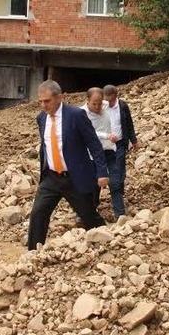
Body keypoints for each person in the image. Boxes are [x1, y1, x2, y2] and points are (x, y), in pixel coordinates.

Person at [27, 80, 109, 250]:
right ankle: (33, 254)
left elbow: (94, 144)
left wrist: (102, 172)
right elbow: (46, 145)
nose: (43, 105)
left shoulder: (76, 115)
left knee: (88, 216)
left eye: (47, 101)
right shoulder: (41, 118)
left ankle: (108, 241)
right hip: (51, 177)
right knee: (38, 213)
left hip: (75, 178)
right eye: (40, 101)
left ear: (60, 97)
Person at [102, 84, 138, 217]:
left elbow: (129, 123)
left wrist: (133, 140)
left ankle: (118, 194)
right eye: (105, 99)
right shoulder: (101, 107)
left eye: (110, 99)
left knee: (120, 170)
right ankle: (118, 204)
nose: (107, 102)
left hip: (120, 143)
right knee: (113, 175)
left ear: (115, 96)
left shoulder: (122, 106)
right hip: (105, 145)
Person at [81, 87, 115, 214]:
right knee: (91, 181)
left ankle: (95, 206)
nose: (97, 106)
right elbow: (90, 132)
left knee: (106, 179)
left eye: (99, 103)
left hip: (108, 148)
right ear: (88, 100)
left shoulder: (105, 106)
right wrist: (107, 135)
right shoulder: (82, 113)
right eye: (94, 104)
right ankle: (88, 209)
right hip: (90, 153)